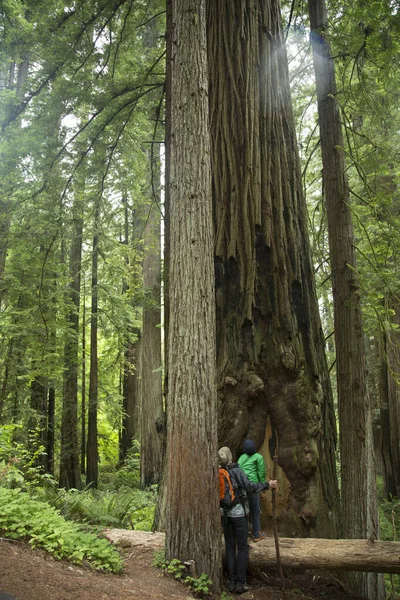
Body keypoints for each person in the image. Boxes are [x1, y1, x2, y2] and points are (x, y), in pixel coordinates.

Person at [218, 446, 277, 594]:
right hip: (239, 515)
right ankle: (240, 583)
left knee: (230, 548)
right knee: (242, 548)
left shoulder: (218, 472)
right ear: (230, 456)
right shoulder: (237, 471)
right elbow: (250, 487)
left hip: (225, 516)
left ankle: (231, 582)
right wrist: (267, 485)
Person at [238, 438, 269, 542]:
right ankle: (256, 533)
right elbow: (261, 472)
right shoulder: (258, 457)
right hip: (254, 486)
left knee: (245, 510)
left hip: (243, 487)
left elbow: (239, 470)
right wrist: (263, 484)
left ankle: (245, 532)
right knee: (255, 510)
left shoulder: (241, 458)